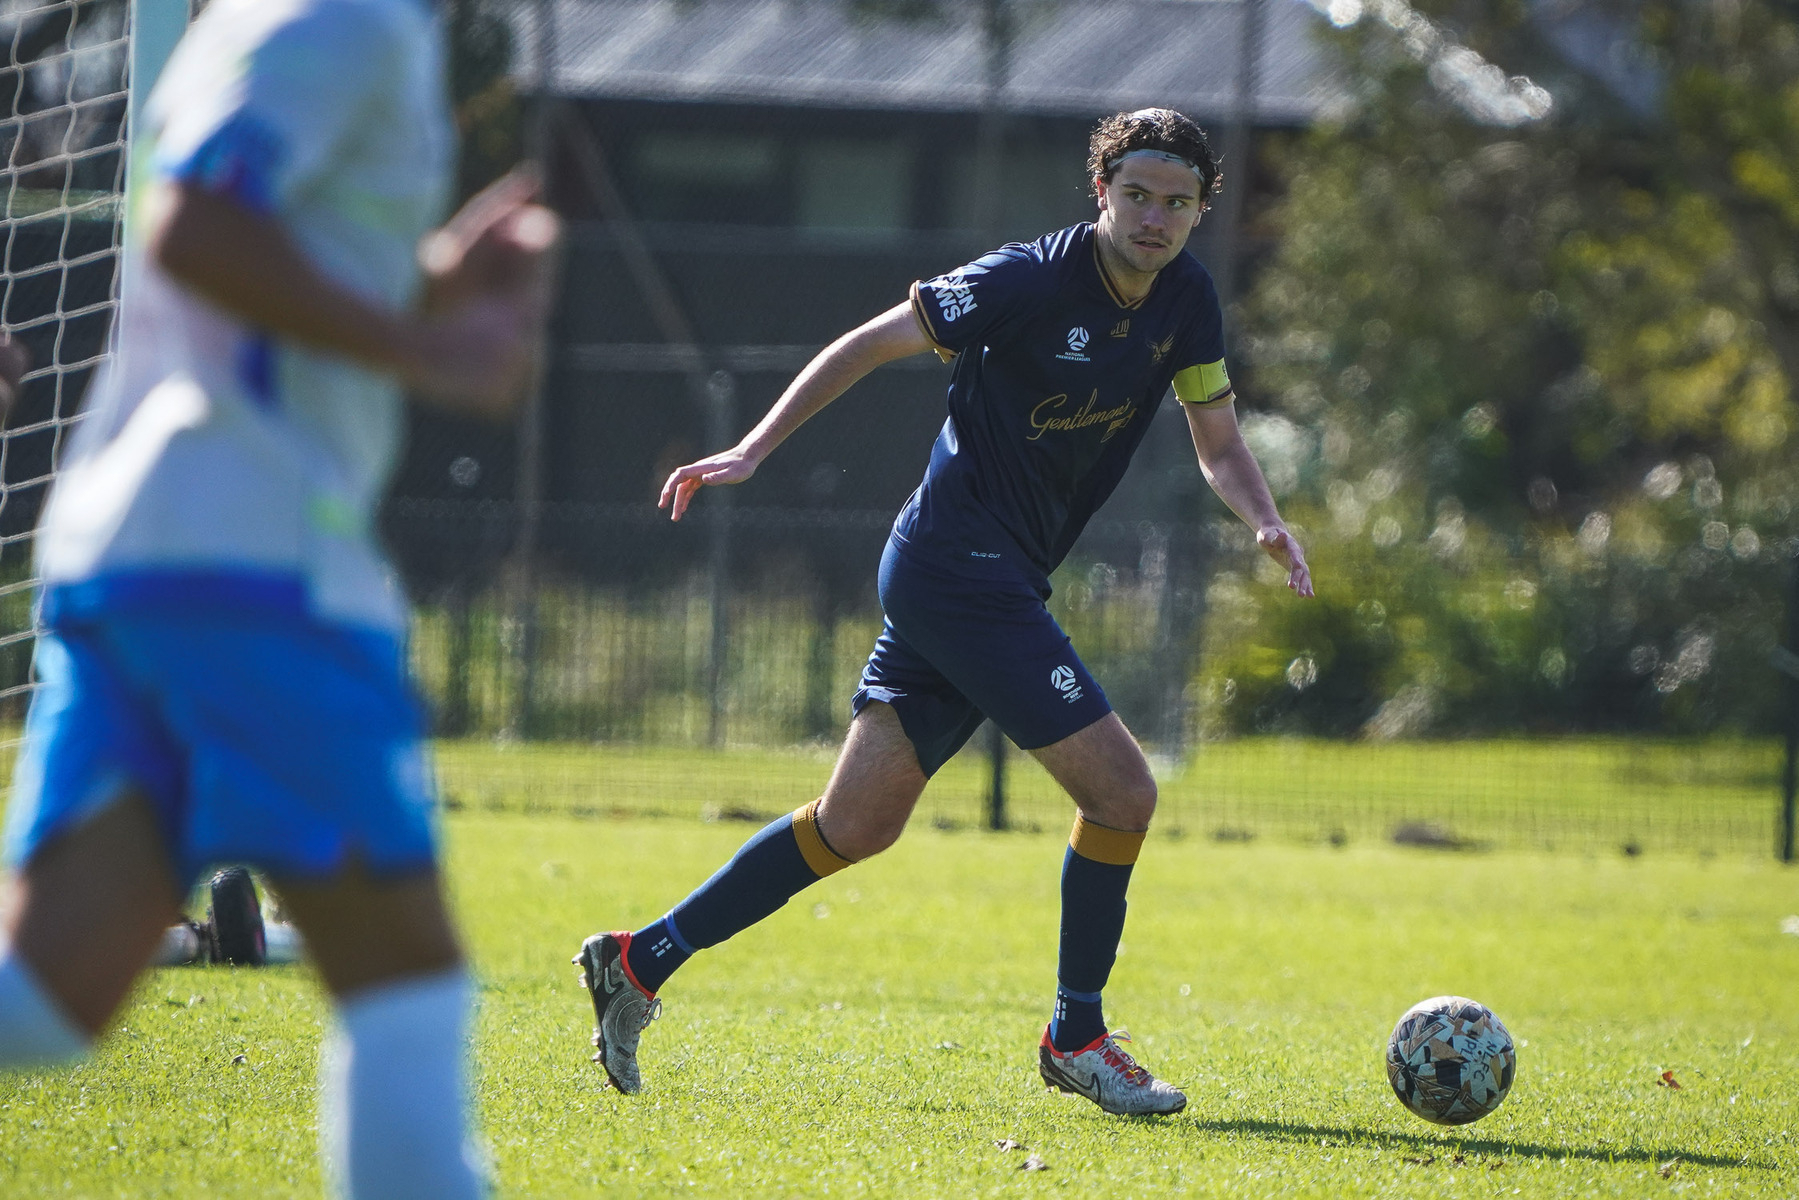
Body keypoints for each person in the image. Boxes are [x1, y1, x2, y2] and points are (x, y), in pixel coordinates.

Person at [575, 107, 1311, 1116]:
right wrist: (752, 447)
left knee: (853, 825)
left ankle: (638, 958)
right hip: (954, 571)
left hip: (987, 579)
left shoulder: (1186, 301)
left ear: (1199, 210)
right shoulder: (1024, 279)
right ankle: (1076, 1035)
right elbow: (867, 342)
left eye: (1175, 202)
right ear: (1099, 192)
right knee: (1123, 795)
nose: (1153, 217)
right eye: (1134, 194)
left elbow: (1216, 441)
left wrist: (1263, 520)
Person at [0, 1, 557, 1197]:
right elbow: (194, 229)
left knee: (43, 1000)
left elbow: (259, 252)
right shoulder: (344, 16)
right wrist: (431, 355)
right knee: (407, 987)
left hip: (158, 549)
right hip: (254, 566)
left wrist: (439, 283)